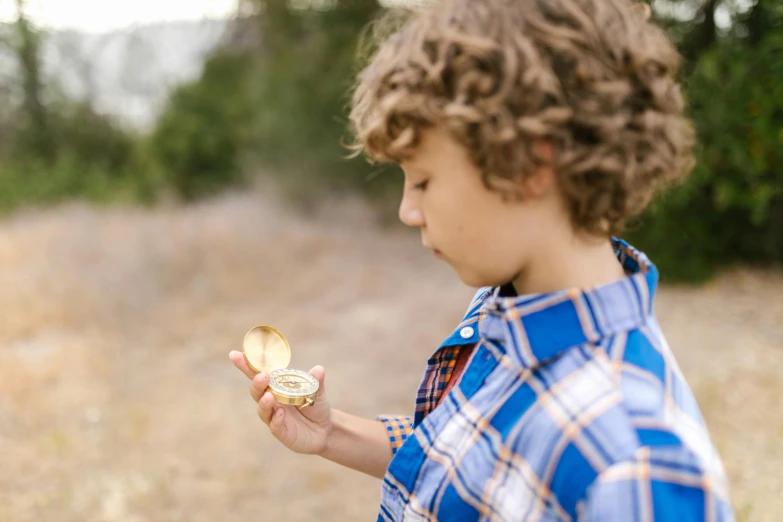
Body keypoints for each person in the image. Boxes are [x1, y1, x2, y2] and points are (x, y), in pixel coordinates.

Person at [229, 0, 736, 519]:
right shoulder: (508, 304)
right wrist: (331, 431)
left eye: (423, 180)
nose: (408, 210)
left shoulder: (637, 466)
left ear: (529, 165)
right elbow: (467, 462)